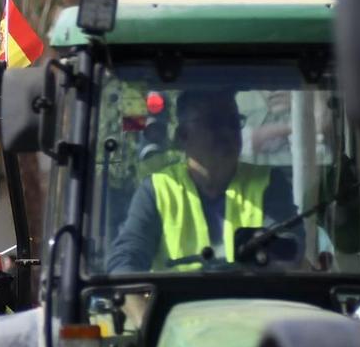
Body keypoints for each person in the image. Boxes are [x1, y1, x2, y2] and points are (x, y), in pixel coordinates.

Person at [107, 88, 299, 273]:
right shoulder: (157, 190)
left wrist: (273, 251)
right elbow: (124, 262)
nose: (227, 132)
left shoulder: (269, 182)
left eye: (233, 122)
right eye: (213, 123)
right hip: (177, 305)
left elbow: (289, 253)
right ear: (183, 137)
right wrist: (145, 307)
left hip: (257, 305)